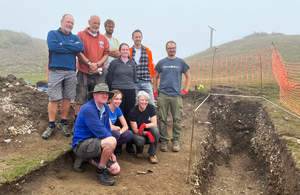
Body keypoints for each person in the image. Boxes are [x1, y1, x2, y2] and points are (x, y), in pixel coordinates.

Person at [42, 14, 83, 140]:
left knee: (67, 98)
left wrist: (63, 45)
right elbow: (53, 46)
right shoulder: (52, 34)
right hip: (56, 70)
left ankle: (63, 123)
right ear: (62, 21)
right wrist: (71, 48)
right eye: (68, 22)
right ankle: (51, 125)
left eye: (72, 23)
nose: (70, 25)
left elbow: (80, 47)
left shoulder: (75, 37)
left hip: (70, 71)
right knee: (54, 98)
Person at [72, 83, 120, 186]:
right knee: (112, 140)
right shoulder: (88, 108)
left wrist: (110, 150)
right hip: (81, 144)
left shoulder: (105, 108)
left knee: (115, 170)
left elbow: (107, 128)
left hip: (96, 143)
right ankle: (99, 172)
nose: (105, 96)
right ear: (94, 95)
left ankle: (87, 159)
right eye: (101, 93)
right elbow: (100, 131)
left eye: (106, 94)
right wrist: (110, 148)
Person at [153, 41, 191, 152]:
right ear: (166, 49)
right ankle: (164, 141)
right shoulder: (161, 63)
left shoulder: (181, 62)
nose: (171, 50)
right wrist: (155, 92)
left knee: (177, 119)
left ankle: (175, 141)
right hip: (163, 95)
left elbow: (188, 76)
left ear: (176, 49)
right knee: (162, 119)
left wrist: (186, 90)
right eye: (169, 48)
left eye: (173, 48)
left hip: (176, 95)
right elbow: (155, 77)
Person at [75, 15, 110, 122]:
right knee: (80, 98)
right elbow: (78, 51)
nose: (96, 25)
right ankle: (78, 122)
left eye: (98, 24)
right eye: (94, 23)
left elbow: (106, 53)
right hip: (83, 73)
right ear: (89, 22)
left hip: (99, 74)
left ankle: (95, 122)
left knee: (98, 98)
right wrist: (89, 63)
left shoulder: (103, 38)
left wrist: (97, 64)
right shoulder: (81, 35)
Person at [106, 43, 137, 123]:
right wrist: (112, 89)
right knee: (118, 110)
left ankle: (128, 131)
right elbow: (109, 77)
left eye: (127, 49)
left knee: (129, 111)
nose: (125, 51)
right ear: (120, 51)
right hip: (117, 89)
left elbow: (134, 77)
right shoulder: (114, 62)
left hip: (130, 90)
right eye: (123, 49)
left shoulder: (132, 63)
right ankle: (117, 130)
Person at [128, 91, 159, 164]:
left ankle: (152, 154)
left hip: (149, 131)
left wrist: (144, 125)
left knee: (155, 130)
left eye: (146, 100)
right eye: (142, 100)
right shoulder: (132, 112)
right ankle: (139, 150)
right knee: (139, 140)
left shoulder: (151, 107)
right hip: (138, 133)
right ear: (138, 100)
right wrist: (147, 133)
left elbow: (154, 123)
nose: (144, 102)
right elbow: (135, 130)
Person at [129, 29, 155, 106]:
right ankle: (137, 118)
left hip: (146, 81)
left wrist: (152, 77)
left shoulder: (147, 50)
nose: (138, 39)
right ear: (132, 38)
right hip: (134, 82)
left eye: (139, 37)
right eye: (136, 37)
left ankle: (151, 118)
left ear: (142, 38)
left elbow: (150, 64)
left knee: (150, 103)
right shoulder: (129, 51)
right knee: (136, 104)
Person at [108, 90, 133, 156]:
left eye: (120, 99)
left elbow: (126, 126)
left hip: (112, 132)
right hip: (104, 132)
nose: (119, 101)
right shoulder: (105, 108)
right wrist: (117, 128)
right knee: (115, 133)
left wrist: (119, 132)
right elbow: (110, 127)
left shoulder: (118, 109)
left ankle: (111, 148)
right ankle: (109, 152)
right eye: (116, 99)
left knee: (129, 134)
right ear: (110, 100)